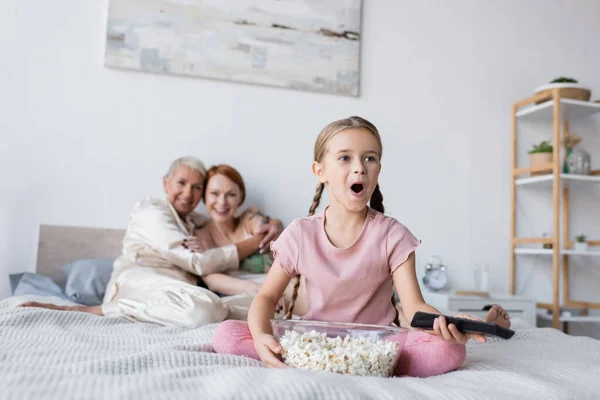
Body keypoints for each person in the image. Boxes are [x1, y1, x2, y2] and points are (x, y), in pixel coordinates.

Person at [211, 117, 511, 378]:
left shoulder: (394, 235)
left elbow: (414, 308)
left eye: (370, 158)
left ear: (378, 169)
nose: (360, 168)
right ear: (320, 171)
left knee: (448, 350)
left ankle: (360, 364)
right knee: (226, 333)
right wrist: (263, 337)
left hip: (377, 345)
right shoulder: (300, 233)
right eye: (345, 158)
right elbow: (266, 296)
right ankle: (331, 362)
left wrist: (449, 325)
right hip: (314, 341)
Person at [21, 156, 284, 328]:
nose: (188, 193)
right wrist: (254, 243)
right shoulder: (151, 212)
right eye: (182, 183)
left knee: (274, 308)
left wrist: (275, 225)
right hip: (141, 281)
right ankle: (98, 310)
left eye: (196, 188)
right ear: (166, 183)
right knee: (206, 310)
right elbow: (198, 262)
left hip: (179, 293)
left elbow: (245, 224)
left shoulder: (197, 224)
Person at [185, 164, 308, 317]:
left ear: (240, 197)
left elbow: (265, 231)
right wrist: (259, 290)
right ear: (205, 197)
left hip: (283, 285)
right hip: (246, 294)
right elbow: (210, 279)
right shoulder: (199, 236)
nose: (222, 202)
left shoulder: (250, 217)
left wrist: (274, 225)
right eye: (214, 194)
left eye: (230, 194)